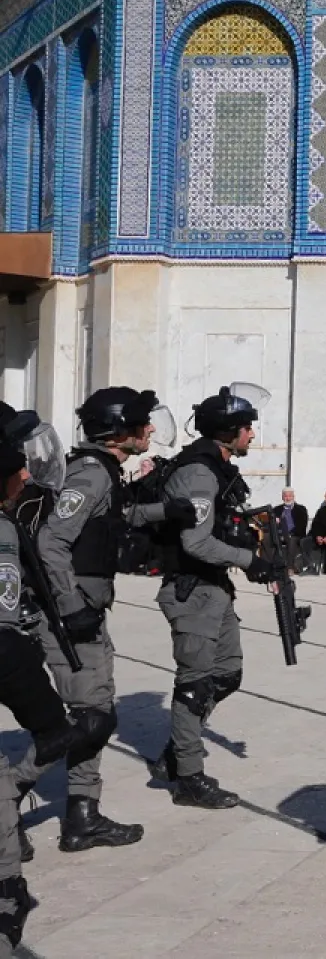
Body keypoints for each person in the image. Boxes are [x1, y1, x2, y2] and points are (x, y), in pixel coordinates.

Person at [9, 388, 192, 854]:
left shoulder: (103, 472)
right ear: (119, 429)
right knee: (90, 719)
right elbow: (52, 542)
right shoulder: (91, 473)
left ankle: (83, 815)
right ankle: (8, 798)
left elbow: (115, 516)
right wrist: (71, 607)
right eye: (141, 423)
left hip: (85, 612)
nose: (149, 430)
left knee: (98, 712)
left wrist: (165, 510)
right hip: (69, 615)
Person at [0, 404, 117, 955]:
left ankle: (69, 811)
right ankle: (18, 797)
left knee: (88, 718)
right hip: (39, 623)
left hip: (35, 620)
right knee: (84, 719)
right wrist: (71, 608)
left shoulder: (31, 499)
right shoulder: (12, 515)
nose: (28, 469)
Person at [148, 387, 280, 809]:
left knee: (227, 674)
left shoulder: (217, 469)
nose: (252, 434)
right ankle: (188, 777)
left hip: (213, 588)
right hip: (192, 589)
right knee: (194, 685)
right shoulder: (200, 474)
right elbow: (196, 542)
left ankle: (179, 748)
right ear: (227, 432)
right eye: (247, 428)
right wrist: (249, 561)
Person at [272, 489, 308, 573]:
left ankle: (290, 568)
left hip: (296, 535)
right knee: (268, 538)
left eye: (290, 496)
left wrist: (290, 534)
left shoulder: (301, 509)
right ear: (282, 497)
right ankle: (271, 566)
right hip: (280, 534)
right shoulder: (276, 509)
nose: (287, 498)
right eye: (285, 496)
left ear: (293, 497)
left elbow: (302, 525)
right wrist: (275, 522)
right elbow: (271, 523)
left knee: (291, 540)